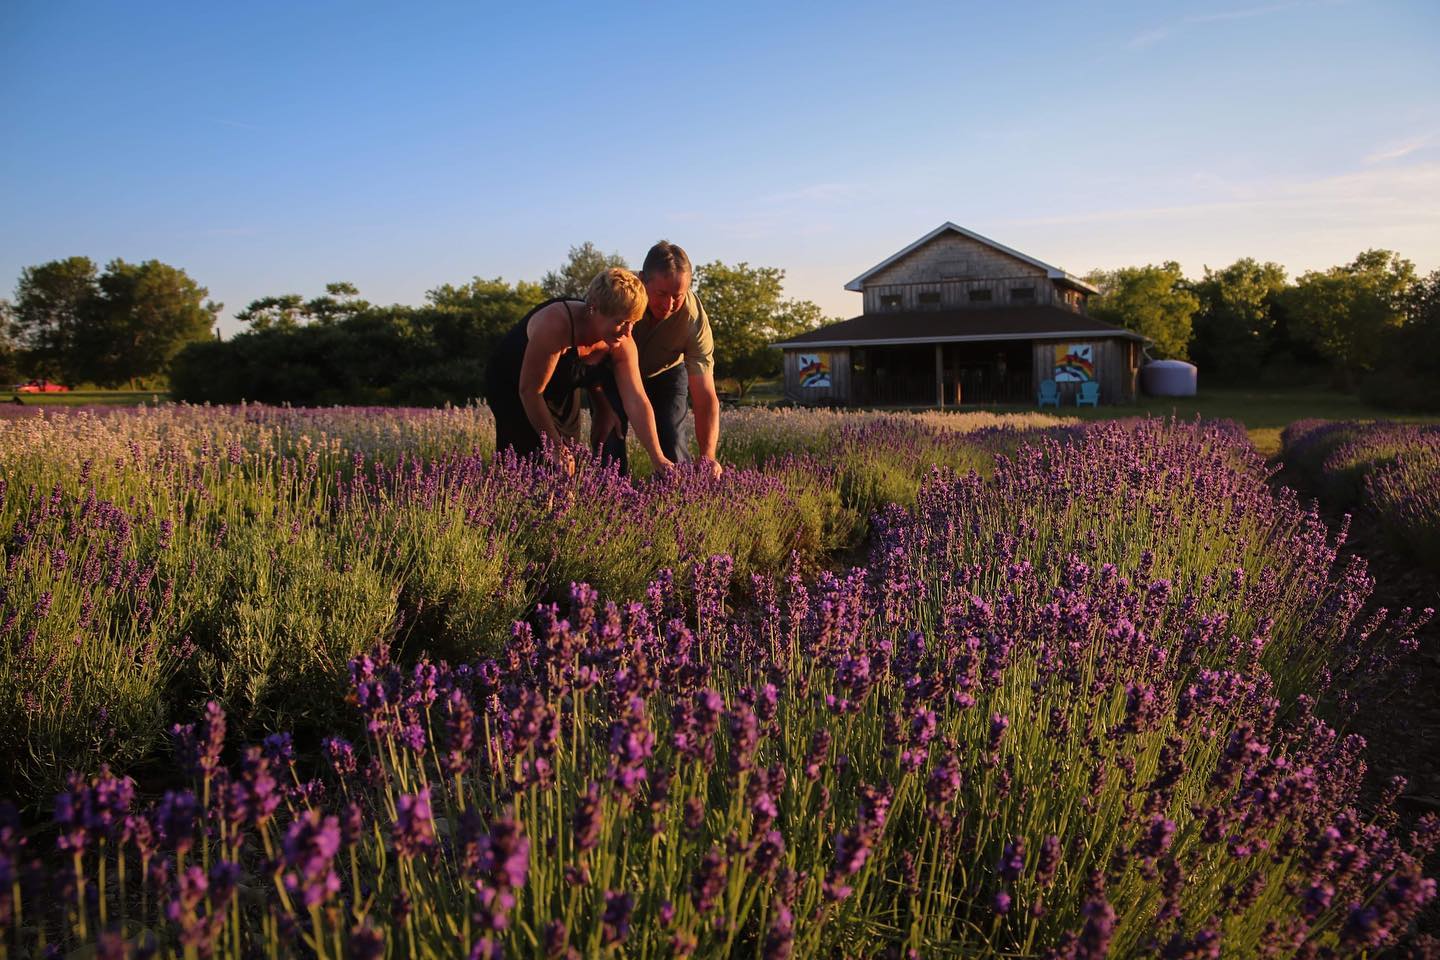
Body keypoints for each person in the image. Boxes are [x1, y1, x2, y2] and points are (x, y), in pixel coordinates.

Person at [485, 268, 674, 474]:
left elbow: (636, 399)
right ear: (594, 308)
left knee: (569, 459)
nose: (627, 332)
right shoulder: (556, 324)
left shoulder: (622, 340)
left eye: (633, 322)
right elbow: (530, 391)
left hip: (562, 384)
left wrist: (658, 457)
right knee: (529, 462)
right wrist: (555, 446)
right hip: (513, 384)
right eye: (620, 322)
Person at [594, 241, 723, 477]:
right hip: (612, 371)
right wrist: (601, 400)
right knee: (611, 434)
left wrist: (708, 456)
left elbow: (705, 395)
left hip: (666, 372)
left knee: (672, 437)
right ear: (643, 280)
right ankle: (608, 492)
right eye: (661, 294)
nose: (668, 305)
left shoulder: (693, 320)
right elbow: (587, 350)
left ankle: (678, 494)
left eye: (678, 296)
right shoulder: (619, 294)